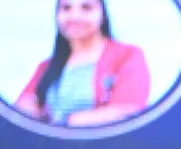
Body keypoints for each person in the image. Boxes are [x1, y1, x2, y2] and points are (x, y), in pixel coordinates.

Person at [15, 0, 151, 128]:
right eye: (66, 8)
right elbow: (22, 107)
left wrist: (67, 122)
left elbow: (128, 110)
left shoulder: (126, 56)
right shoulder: (46, 66)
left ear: (103, 15)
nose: (74, 16)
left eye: (86, 8)